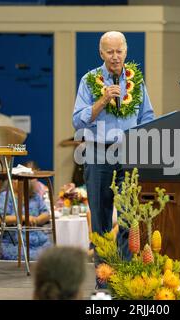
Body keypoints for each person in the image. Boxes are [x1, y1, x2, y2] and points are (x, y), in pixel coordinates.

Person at [72, 31, 155, 269]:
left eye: (119, 51)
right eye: (110, 52)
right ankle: (103, 274)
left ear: (126, 52)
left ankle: (125, 272)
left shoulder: (135, 81)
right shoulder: (89, 80)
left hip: (128, 154)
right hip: (98, 154)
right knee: (100, 218)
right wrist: (102, 101)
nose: (115, 57)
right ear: (101, 53)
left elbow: (147, 116)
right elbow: (77, 120)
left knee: (129, 217)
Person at [0, 180, 52, 260]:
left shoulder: (35, 196)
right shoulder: (6, 196)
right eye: (16, 179)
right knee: (35, 258)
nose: (17, 181)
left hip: (39, 239)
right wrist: (23, 218)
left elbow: (46, 214)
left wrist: (36, 219)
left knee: (54, 255)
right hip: (14, 242)